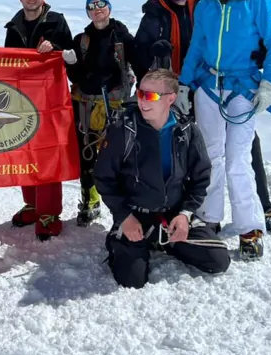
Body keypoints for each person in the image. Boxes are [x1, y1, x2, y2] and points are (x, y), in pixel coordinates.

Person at [132, 0, 271, 235]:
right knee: (205, 153)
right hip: (195, 85)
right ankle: (205, 215)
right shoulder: (158, 8)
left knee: (242, 152)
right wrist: (171, 85)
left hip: (238, 83)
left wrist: (267, 83)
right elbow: (145, 53)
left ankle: (262, 211)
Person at [179, 0, 271, 260]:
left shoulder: (257, 0)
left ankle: (249, 228)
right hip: (209, 87)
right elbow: (197, 46)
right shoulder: (206, 4)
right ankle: (209, 219)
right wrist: (185, 85)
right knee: (210, 156)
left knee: (238, 159)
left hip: (243, 89)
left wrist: (268, 85)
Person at [93, 68, 231, 288]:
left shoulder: (187, 131)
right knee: (132, 279)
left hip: (173, 215)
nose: (142, 101)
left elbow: (201, 177)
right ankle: (122, 239)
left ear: (171, 98)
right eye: (140, 93)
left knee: (219, 260)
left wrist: (186, 214)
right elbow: (103, 177)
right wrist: (124, 217)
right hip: (136, 216)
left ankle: (166, 240)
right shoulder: (124, 130)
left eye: (151, 96)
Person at [4, 0, 76, 240]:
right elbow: (5, 62)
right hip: (21, 98)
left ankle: (49, 212)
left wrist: (55, 49)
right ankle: (33, 203)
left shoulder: (56, 21)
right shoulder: (13, 26)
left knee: (46, 154)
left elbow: (70, 53)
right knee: (24, 150)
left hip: (49, 99)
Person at [65, 0, 139, 227]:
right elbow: (75, 76)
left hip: (115, 103)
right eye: (92, 6)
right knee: (87, 153)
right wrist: (72, 64)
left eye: (101, 5)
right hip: (86, 102)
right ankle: (90, 200)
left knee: (118, 156)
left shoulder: (123, 37)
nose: (97, 9)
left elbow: (137, 61)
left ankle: (126, 209)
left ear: (109, 8)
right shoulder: (81, 40)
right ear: (87, 12)